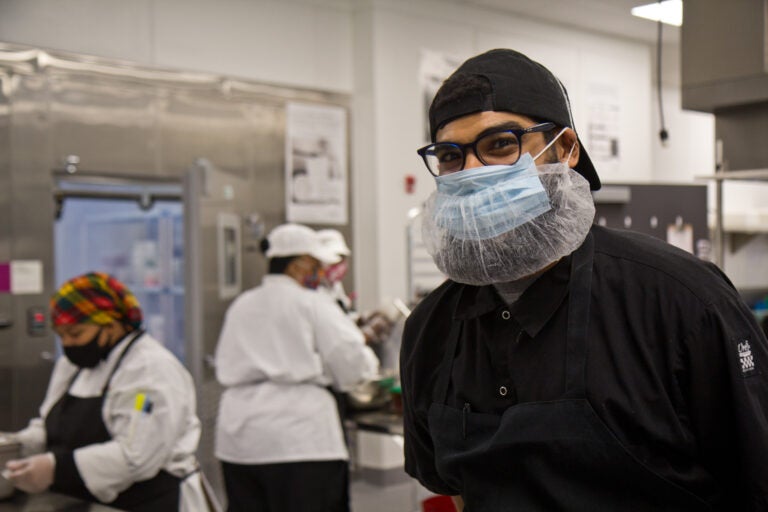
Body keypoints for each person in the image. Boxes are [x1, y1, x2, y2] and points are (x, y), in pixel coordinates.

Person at [400, 48, 768, 511]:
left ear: (566, 150)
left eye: (500, 145)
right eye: (451, 156)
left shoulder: (682, 302)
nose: (472, 173)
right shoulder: (430, 330)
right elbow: (451, 490)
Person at [214, 223, 380, 512]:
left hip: (240, 439)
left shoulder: (242, 304)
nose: (320, 274)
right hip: (301, 440)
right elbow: (354, 362)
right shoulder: (312, 303)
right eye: (317, 265)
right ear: (299, 263)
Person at [3, 272, 202, 511]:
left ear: (111, 325)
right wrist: (16, 445)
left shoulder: (150, 371)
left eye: (76, 334)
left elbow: (137, 457)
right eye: (61, 335)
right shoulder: (72, 366)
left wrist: (54, 467)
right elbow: (49, 424)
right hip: (83, 502)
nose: (67, 344)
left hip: (149, 503)